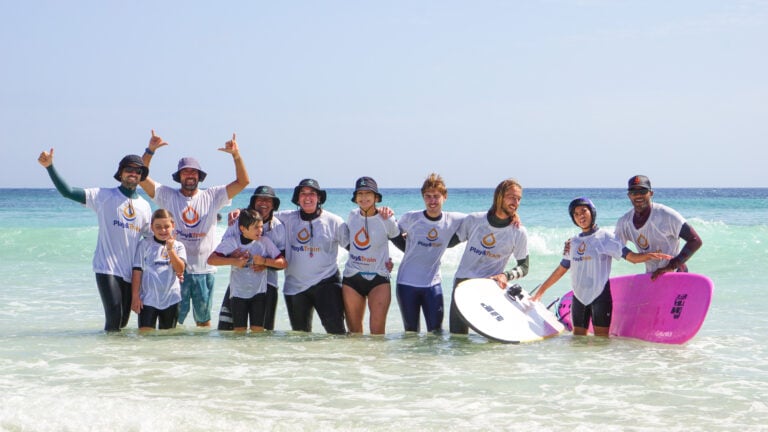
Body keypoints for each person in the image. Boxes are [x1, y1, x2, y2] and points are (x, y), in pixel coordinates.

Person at [140, 130, 249, 327]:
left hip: (204, 270)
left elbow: (243, 182)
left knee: (203, 322)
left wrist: (236, 155)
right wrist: (150, 151)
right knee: (173, 323)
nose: (190, 175)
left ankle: (201, 357)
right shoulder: (167, 195)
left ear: (199, 176)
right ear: (179, 176)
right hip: (175, 272)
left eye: (193, 172)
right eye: (185, 171)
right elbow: (142, 179)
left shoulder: (213, 195)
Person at [37, 149, 152, 332]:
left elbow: (150, 240)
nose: (133, 173)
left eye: (138, 171)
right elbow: (67, 192)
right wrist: (49, 167)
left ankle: (118, 357)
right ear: (120, 173)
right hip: (106, 268)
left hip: (130, 272)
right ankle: (109, 357)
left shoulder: (145, 207)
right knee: (114, 317)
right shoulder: (103, 196)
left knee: (122, 322)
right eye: (129, 169)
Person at [531, 197, 672, 337]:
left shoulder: (605, 237)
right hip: (579, 297)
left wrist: (649, 255)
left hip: (600, 296)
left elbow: (631, 257)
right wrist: (541, 291)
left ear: (592, 212)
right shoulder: (573, 242)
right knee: (578, 341)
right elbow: (562, 269)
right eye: (576, 214)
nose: (580, 216)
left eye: (583, 211)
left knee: (601, 342)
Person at [449, 178, 529, 335]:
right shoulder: (474, 220)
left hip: (490, 288)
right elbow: (447, 242)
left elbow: (524, 267)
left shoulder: (518, 232)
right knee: (457, 339)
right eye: (512, 197)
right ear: (499, 196)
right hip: (463, 284)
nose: (516, 202)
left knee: (492, 344)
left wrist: (506, 275)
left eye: (518, 199)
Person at [391, 173, 466, 333]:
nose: (432, 201)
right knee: (411, 333)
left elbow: (482, 221)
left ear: (444, 197)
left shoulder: (453, 219)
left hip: (433, 285)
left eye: (436, 196)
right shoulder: (411, 218)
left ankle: (433, 360)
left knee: (436, 332)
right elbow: (391, 232)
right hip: (406, 284)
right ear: (423, 197)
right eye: (428, 196)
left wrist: (512, 217)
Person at [276, 179, 346, 334]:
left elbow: (355, 248)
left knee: (337, 333)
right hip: (295, 287)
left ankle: (341, 359)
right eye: (303, 194)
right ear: (297, 198)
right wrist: (240, 212)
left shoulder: (334, 221)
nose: (307, 197)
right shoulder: (286, 218)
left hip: (327, 283)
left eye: (312, 194)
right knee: (300, 336)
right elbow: (261, 217)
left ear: (319, 198)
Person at [217, 186, 285, 331]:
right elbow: (222, 249)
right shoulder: (238, 222)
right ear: (253, 202)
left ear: (273, 205)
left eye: (268, 200)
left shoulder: (278, 226)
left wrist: (265, 264)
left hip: (267, 286)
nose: (264, 203)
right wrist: (232, 256)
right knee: (226, 330)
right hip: (239, 284)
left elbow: (283, 260)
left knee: (263, 333)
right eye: (260, 199)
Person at [340, 177, 400, 335]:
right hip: (353, 277)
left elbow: (403, 243)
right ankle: (357, 361)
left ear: (376, 197)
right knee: (354, 333)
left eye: (368, 193)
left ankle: (377, 361)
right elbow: (351, 245)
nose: (364, 197)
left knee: (378, 333)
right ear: (355, 197)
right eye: (360, 193)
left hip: (379, 278)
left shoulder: (387, 219)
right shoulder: (352, 215)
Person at [615, 175, 703, 280]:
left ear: (651, 193)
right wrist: (634, 257)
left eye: (643, 191)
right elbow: (615, 246)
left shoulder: (666, 215)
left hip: (676, 274)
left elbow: (695, 240)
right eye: (634, 192)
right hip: (652, 276)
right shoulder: (624, 222)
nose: (638, 195)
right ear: (629, 195)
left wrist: (671, 266)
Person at [131, 209, 187, 331]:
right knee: (145, 335)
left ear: (173, 226)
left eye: (166, 227)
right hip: (148, 299)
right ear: (152, 227)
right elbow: (137, 271)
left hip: (171, 299)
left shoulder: (179, 246)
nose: (162, 230)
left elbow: (180, 269)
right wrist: (135, 296)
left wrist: (170, 249)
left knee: (167, 339)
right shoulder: (144, 244)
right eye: (158, 227)